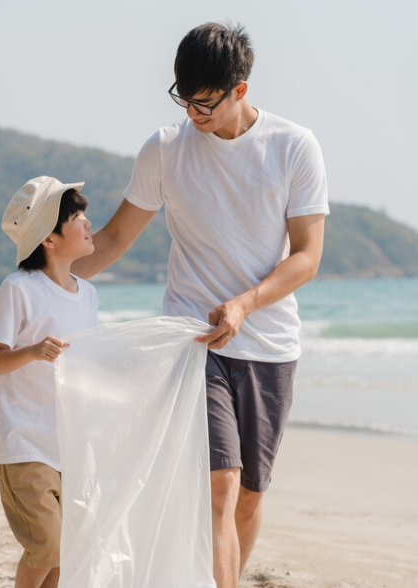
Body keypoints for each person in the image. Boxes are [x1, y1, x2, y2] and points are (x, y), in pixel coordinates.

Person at [73, 22, 328, 588]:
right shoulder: (165, 149)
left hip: (268, 344)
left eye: (206, 103)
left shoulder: (293, 146)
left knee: (249, 494)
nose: (193, 114)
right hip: (191, 340)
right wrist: (37, 281)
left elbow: (307, 257)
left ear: (241, 89)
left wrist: (244, 304)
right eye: (184, 100)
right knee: (219, 485)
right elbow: (113, 239)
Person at [0, 176, 98, 588]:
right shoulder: (18, 288)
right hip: (24, 441)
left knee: (66, 552)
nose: (88, 223)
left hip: (70, 441)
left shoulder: (88, 294)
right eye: (77, 217)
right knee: (47, 545)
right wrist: (33, 351)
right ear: (49, 239)